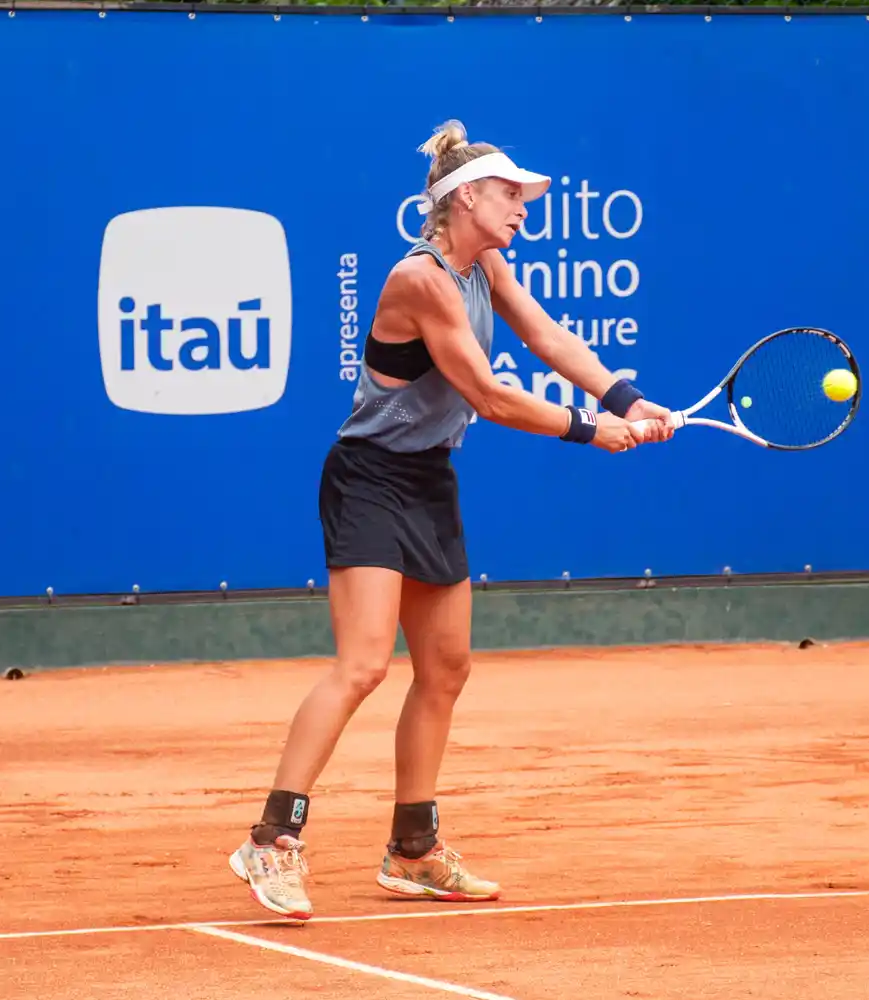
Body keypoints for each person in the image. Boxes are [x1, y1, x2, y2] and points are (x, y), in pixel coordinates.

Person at [227, 120, 673, 921]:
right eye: (510, 196)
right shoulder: (423, 279)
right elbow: (490, 396)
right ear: (465, 198)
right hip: (368, 478)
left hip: (428, 478)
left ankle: (413, 850)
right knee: (363, 664)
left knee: (446, 668)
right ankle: (272, 838)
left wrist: (623, 397)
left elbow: (545, 336)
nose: (524, 210)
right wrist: (589, 430)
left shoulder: (486, 264)